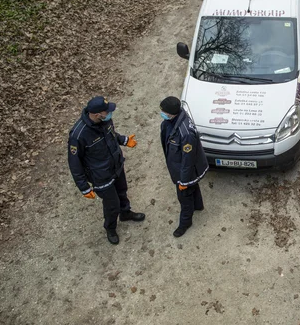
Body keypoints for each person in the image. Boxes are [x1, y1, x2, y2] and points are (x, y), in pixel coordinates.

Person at [68, 96, 145, 245]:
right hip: (100, 176)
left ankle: (125, 213)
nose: (109, 113)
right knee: (112, 204)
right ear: (97, 114)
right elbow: (74, 163)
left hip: (116, 166)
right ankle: (110, 228)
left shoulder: (105, 121)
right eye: (107, 111)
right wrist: (83, 187)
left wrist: (123, 140)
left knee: (122, 191)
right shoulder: (79, 135)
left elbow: (111, 135)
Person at [159, 96, 209, 237]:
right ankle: (198, 205)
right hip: (181, 168)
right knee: (193, 187)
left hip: (185, 172)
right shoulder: (172, 121)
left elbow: (188, 160)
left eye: (163, 111)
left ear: (171, 113)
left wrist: (184, 181)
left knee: (184, 197)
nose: (161, 113)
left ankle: (185, 223)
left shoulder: (185, 133)